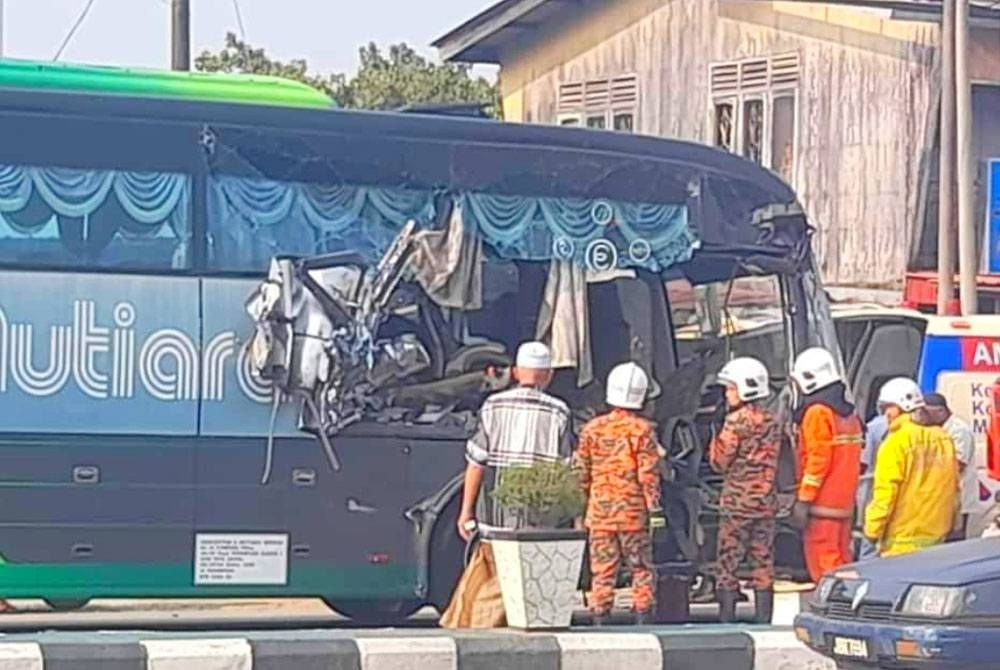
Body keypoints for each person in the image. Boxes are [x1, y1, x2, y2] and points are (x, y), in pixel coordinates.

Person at [574, 362, 663, 626]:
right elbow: (648, 474)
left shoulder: (591, 429)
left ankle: (600, 618)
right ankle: (643, 619)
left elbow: (581, 473)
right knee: (641, 569)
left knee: (602, 571)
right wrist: (655, 511)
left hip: (599, 514)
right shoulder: (643, 430)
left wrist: (579, 510)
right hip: (633, 515)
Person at [458, 341, 573, 539]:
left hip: (496, 517)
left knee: (497, 566)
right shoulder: (559, 411)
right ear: (549, 375)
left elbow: (477, 463)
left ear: (516, 372)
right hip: (541, 519)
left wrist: (466, 511)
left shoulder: (493, 405)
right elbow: (566, 468)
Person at [709, 357, 781, 624]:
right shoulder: (772, 421)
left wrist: (714, 439)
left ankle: (727, 618)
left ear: (744, 388)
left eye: (730, 388)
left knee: (729, 561)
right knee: (762, 560)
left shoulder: (735, 422)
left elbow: (720, 462)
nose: (727, 394)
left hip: (737, 503)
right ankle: (764, 618)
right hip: (765, 502)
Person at [789, 347, 863, 583]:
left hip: (822, 506)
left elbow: (817, 460)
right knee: (842, 561)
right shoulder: (849, 415)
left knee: (824, 566)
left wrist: (804, 500)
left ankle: (832, 612)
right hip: (844, 505)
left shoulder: (817, 413)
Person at [863, 378, 960, 557]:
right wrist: (953, 525)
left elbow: (885, 495)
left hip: (900, 544)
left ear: (902, 407)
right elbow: (953, 488)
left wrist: (871, 531)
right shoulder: (943, 438)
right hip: (937, 541)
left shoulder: (896, 442)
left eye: (887, 407)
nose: (885, 414)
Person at [924, 393, 977, 540]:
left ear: (941, 411)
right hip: (943, 496)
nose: (925, 417)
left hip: (959, 495)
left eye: (928, 413)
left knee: (954, 539)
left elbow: (958, 464)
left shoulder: (959, 430)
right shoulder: (936, 430)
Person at [856, 390, 892, 559]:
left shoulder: (873, 427)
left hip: (873, 489)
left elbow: (863, 462)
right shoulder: (921, 431)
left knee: (869, 547)